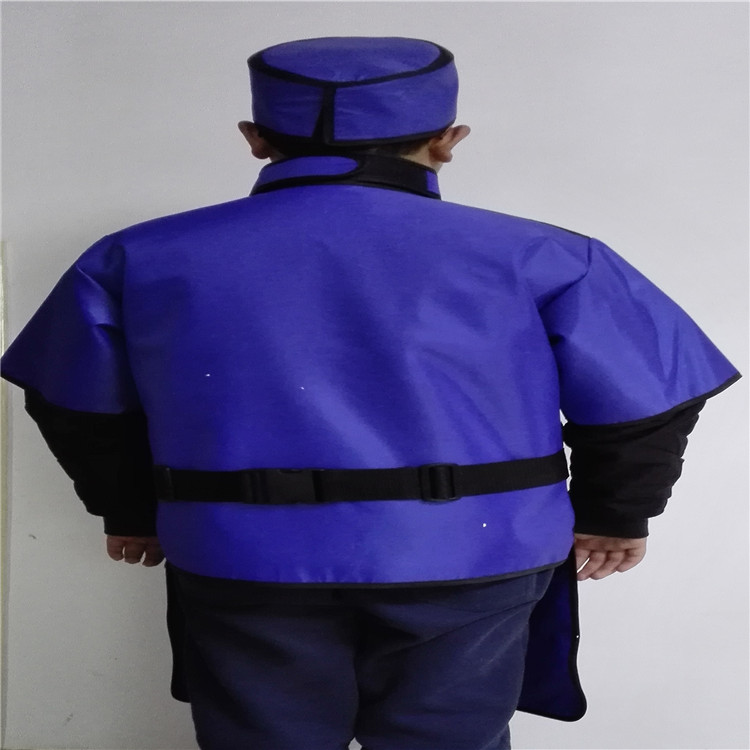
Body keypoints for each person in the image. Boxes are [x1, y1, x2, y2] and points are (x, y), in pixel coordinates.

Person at [0, 36, 740, 750]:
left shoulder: (135, 257)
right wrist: (614, 514)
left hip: (241, 552)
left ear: (255, 139)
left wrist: (131, 509)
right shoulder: (546, 256)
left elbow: (74, 401)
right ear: (449, 140)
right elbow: (649, 400)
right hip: (474, 550)